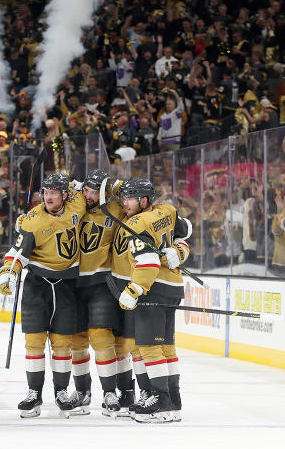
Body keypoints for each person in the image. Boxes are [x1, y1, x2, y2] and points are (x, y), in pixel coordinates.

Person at [0, 173, 87, 418]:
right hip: (38, 285)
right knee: (34, 343)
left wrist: (76, 183)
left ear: (64, 195)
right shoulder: (33, 221)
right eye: (45, 193)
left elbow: (85, 188)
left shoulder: (77, 203)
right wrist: (8, 273)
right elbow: (17, 252)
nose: (47, 197)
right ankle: (34, 393)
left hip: (67, 285)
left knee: (62, 344)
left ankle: (61, 392)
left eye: (53, 193)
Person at [112, 178, 192, 423]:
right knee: (166, 347)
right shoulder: (167, 210)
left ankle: (161, 401)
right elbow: (185, 233)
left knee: (148, 346)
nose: (124, 203)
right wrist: (180, 251)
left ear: (143, 201)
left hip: (153, 289)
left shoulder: (137, 222)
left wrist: (135, 289)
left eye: (129, 198)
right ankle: (173, 400)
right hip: (173, 286)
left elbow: (148, 261)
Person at [70, 169, 130, 417]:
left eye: (94, 191)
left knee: (102, 338)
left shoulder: (115, 210)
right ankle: (82, 392)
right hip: (72, 284)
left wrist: (112, 186)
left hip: (101, 284)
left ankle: (110, 392)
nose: (88, 195)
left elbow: (133, 193)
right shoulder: (74, 206)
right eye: (86, 190)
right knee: (76, 341)